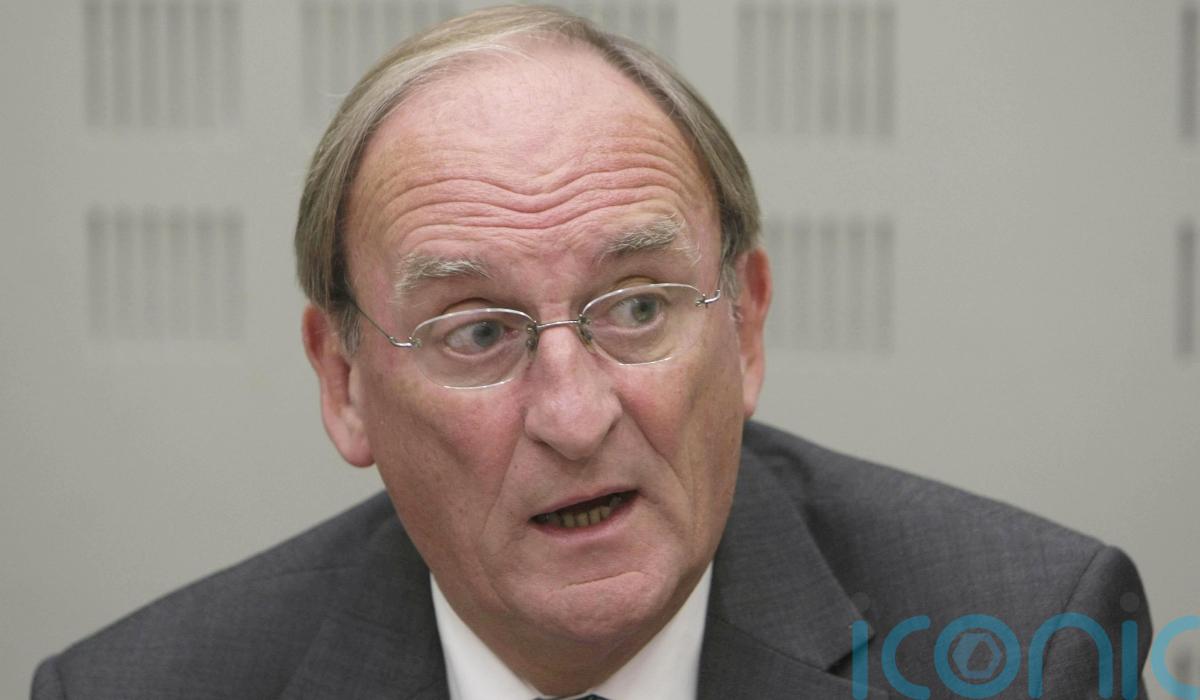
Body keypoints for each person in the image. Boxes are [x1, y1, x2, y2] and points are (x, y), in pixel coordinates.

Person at [33, 5, 1150, 699]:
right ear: (345, 382)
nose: (575, 418)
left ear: (745, 325)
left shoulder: (1031, 650)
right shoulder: (132, 689)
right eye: (478, 332)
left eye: (639, 308)